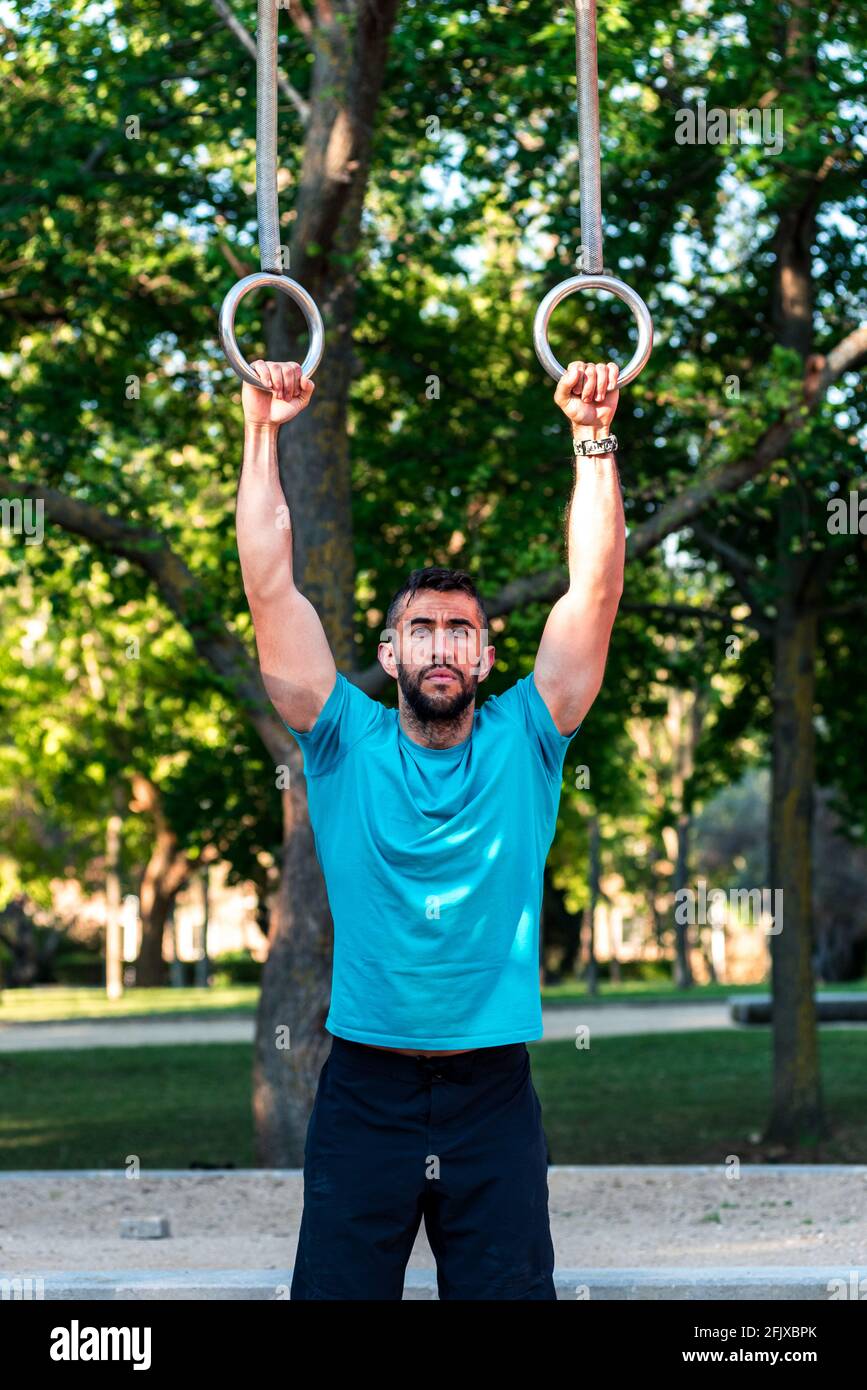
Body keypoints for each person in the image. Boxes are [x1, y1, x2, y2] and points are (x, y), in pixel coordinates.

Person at [235, 356, 625, 1300]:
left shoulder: (529, 735)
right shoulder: (340, 741)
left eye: (460, 630)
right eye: (423, 628)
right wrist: (261, 431)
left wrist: (593, 436)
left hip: (491, 1094)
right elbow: (269, 589)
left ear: (488, 654)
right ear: (390, 651)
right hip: (364, 1089)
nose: (442, 644)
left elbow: (594, 591)